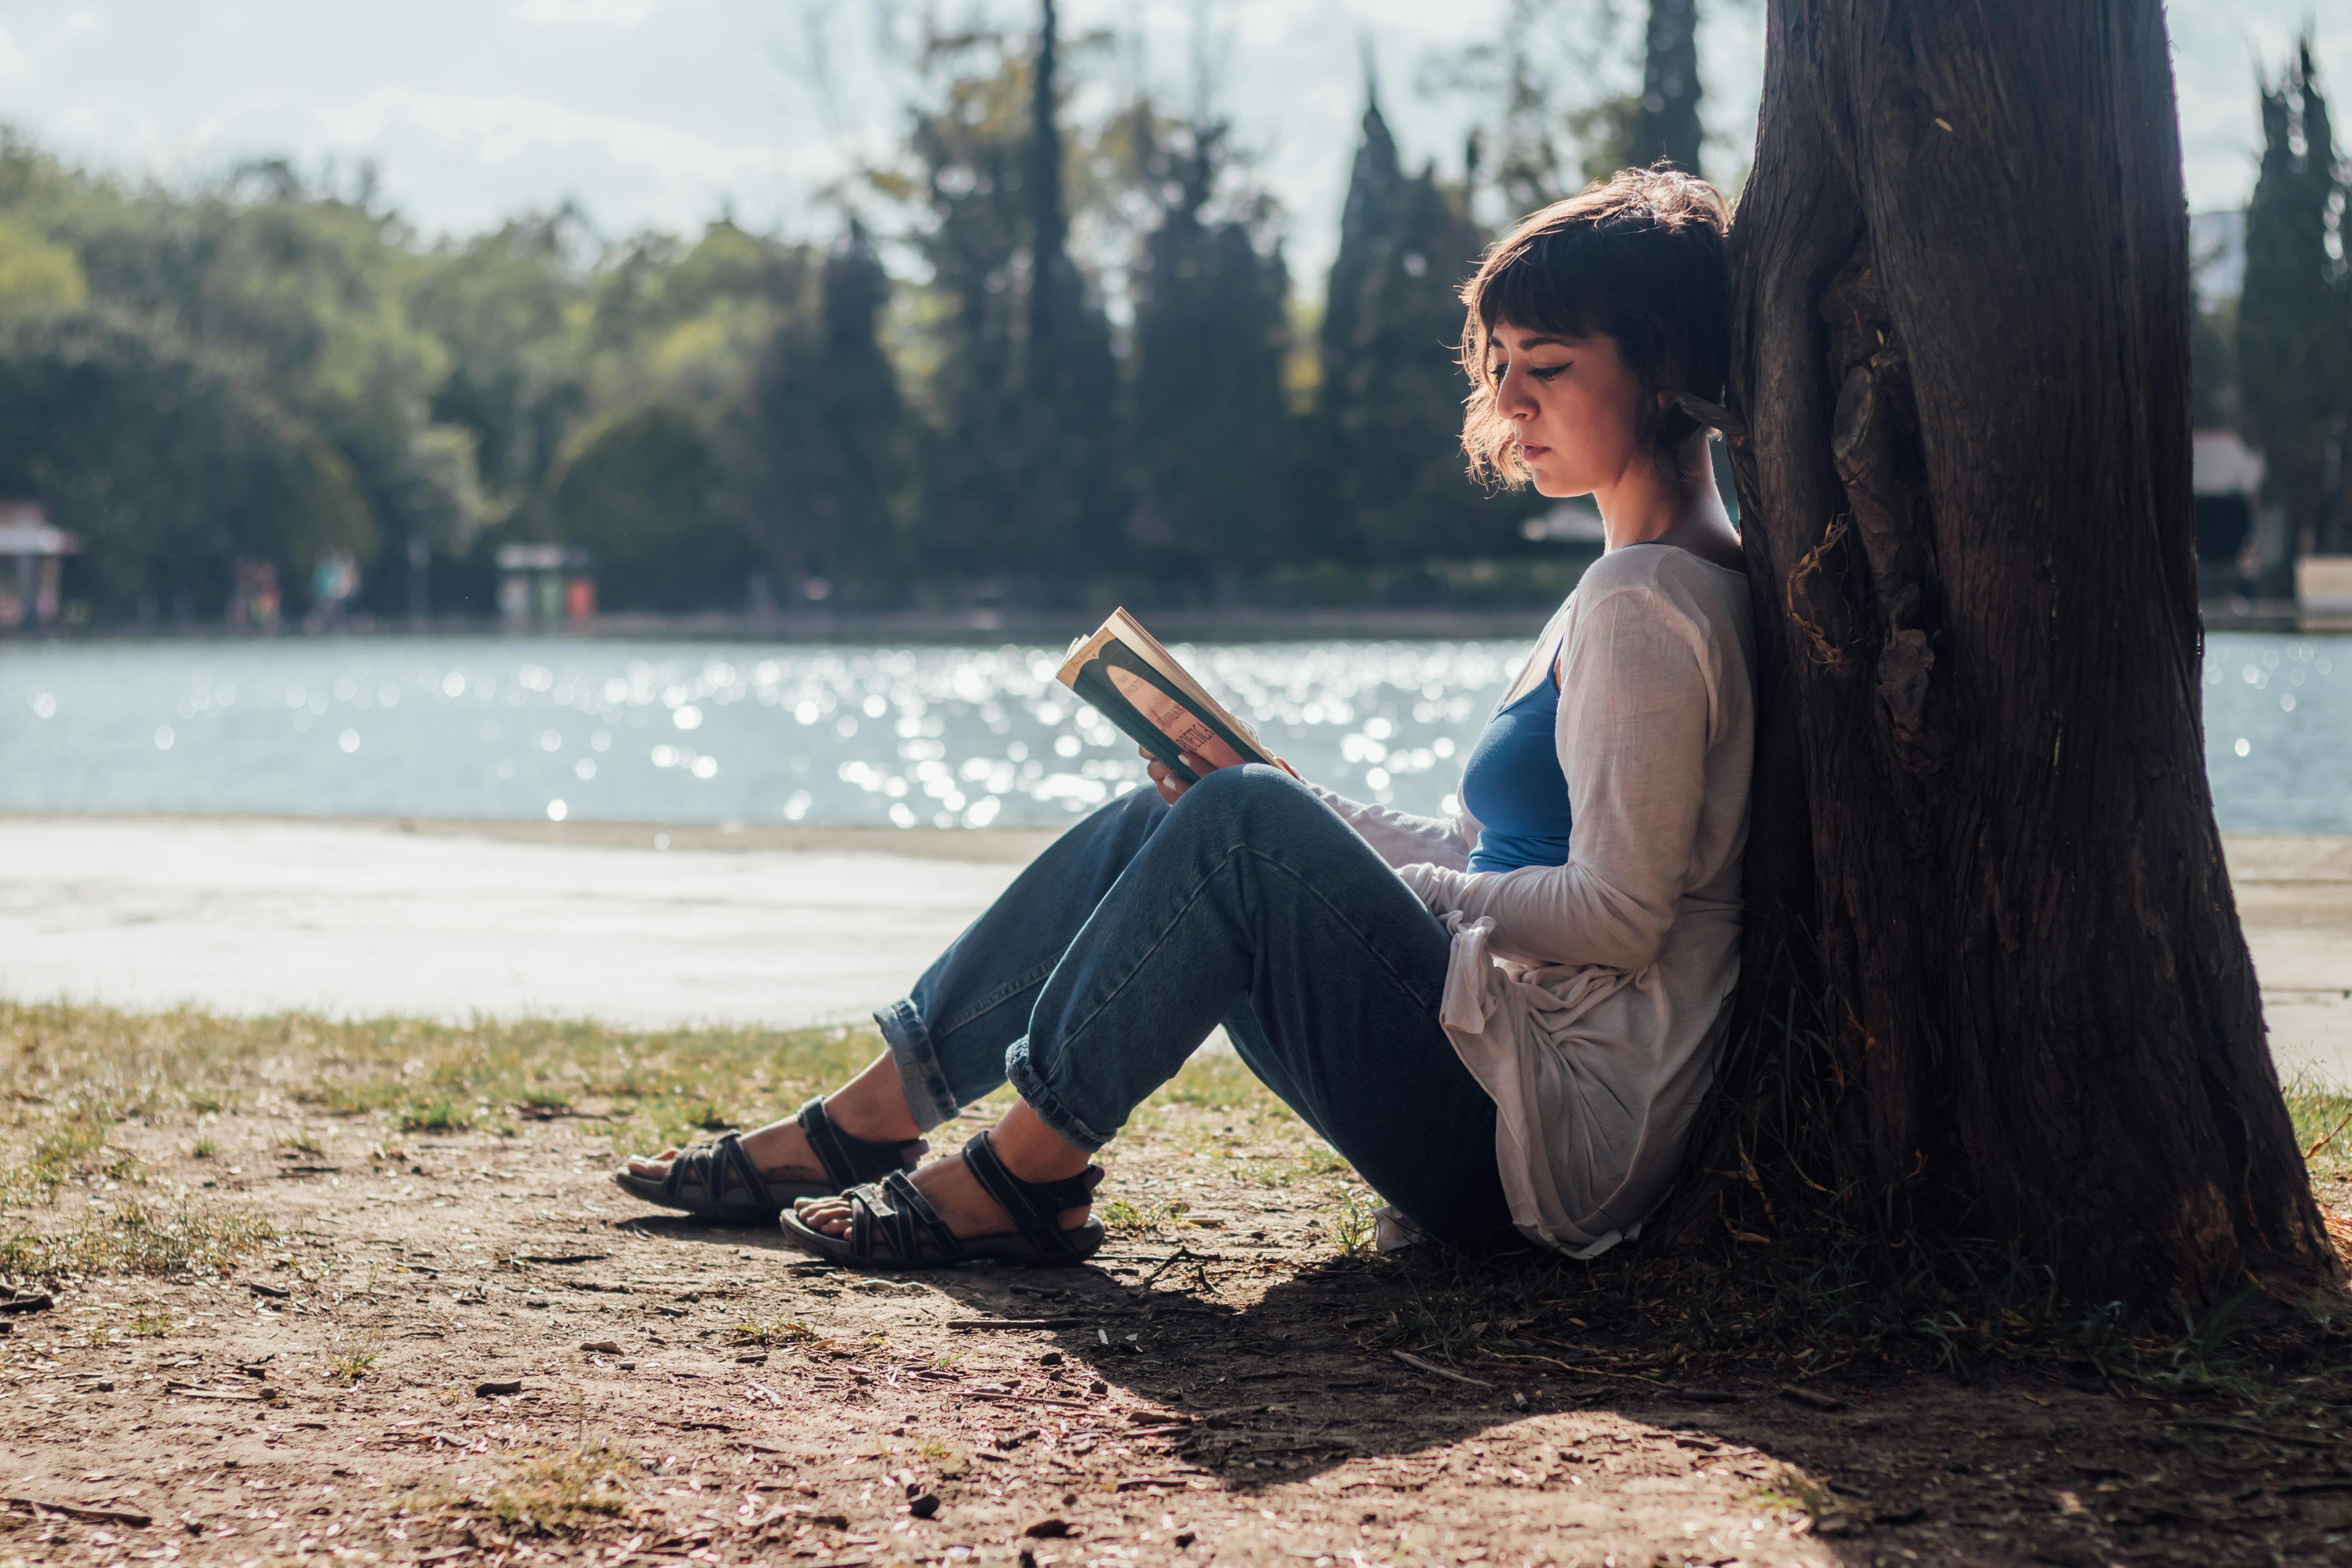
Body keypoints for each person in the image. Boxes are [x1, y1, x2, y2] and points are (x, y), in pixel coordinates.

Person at [613, 167, 1756, 1268]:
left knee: (1241, 824)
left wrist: (1367, 883)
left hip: (1546, 1144)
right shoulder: (1622, 586)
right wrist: (1304, 815)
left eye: (1547, 367)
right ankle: (870, 1117)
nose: (1509, 401)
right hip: (1497, 1070)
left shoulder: (1646, 601)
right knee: (1186, 814)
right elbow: (1490, 853)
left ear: (1661, 371)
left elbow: (1620, 918)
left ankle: (1024, 1178)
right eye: (1500, 362)